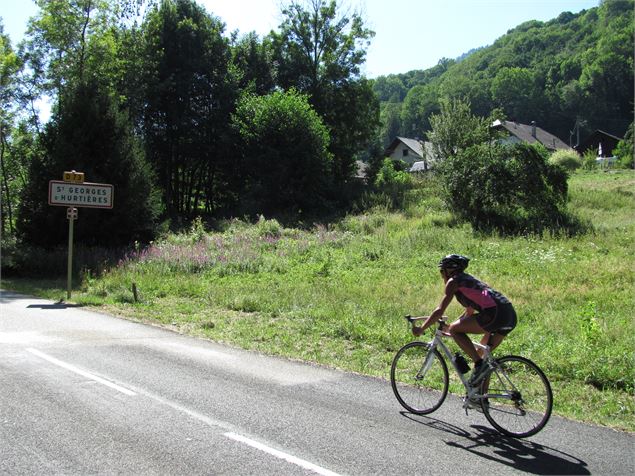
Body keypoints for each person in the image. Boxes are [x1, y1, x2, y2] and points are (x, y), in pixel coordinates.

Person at [412, 254, 517, 387]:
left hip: (494, 314)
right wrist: (451, 325)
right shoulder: (470, 281)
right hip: (509, 314)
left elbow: (440, 310)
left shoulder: (453, 282)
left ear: (448, 271)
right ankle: (481, 400)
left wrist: (422, 328)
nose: (441, 275)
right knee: (482, 356)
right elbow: (469, 312)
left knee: (462, 339)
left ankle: (479, 365)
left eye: (441, 271)